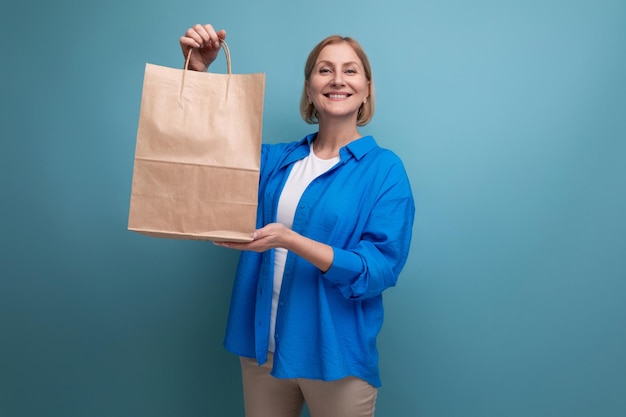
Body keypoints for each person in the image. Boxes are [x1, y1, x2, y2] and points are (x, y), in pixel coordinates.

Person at [180, 23, 415, 417]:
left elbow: (378, 268)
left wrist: (290, 240)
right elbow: (210, 153)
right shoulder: (275, 160)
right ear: (309, 88)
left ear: (367, 89)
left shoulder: (384, 170)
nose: (337, 79)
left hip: (334, 355)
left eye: (350, 70)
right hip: (262, 350)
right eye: (324, 70)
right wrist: (198, 73)